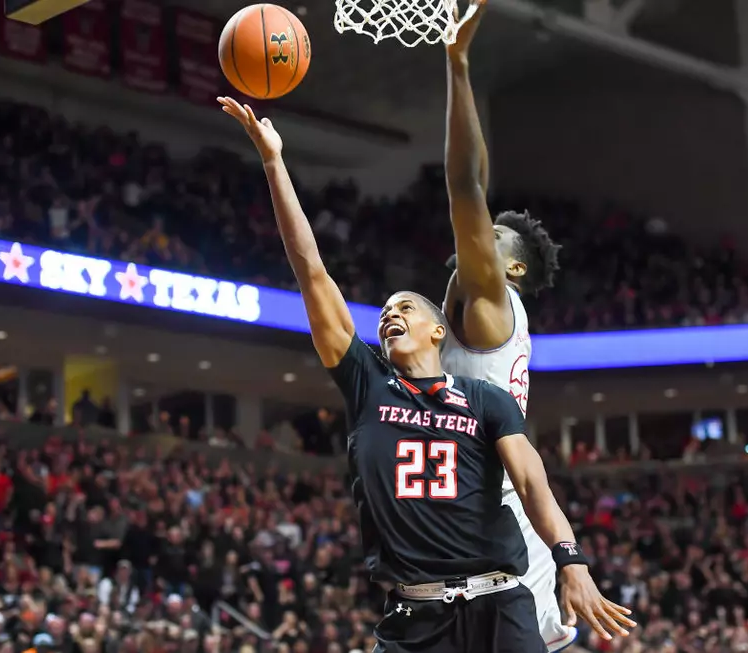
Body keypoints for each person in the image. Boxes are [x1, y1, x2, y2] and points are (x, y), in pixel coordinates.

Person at [217, 96, 631, 652]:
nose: (392, 312)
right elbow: (311, 270)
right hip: (416, 612)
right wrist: (274, 163)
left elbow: (533, 480)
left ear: (441, 330)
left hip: (497, 600)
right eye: (386, 309)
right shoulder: (366, 382)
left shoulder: (484, 391)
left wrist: (572, 560)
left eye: (407, 306)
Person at [441, 2, 630, 651]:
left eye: (491, 237)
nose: (474, 237)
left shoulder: (490, 304)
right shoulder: (488, 310)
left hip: (494, 518)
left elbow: (466, 183)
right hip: (487, 510)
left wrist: (458, 68)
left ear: (513, 266)